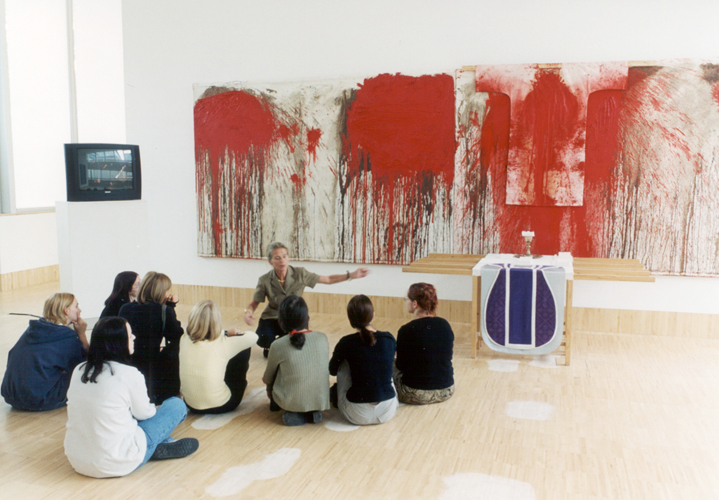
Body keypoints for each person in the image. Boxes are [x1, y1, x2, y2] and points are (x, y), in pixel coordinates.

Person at [64, 317, 198, 478]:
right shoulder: (129, 374)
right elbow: (145, 414)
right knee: (176, 405)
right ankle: (157, 444)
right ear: (118, 343)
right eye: (129, 335)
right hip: (118, 462)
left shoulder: (79, 370)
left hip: (78, 460)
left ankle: (157, 444)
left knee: (121, 414)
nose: (134, 337)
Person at [244, 241, 369, 356]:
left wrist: (351, 275)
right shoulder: (264, 279)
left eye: (285, 256)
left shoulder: (300, 273)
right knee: (262, 338)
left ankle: (281, 344)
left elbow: (328, 279)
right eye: (277, 258)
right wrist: (249, 312)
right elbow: (254, 303)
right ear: (270, 261)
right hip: (272, 316)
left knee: (297, 343)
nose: (282, 260)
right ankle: (272, 346)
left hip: (294, 317)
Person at [1, 293, 88, 411]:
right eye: (76, 306)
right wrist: (82, 334)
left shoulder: (33, 330)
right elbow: (86, 364)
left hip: (11, 396)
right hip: (40, 400)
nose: (79, 310)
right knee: (80, 372)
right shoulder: (67, 336)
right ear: (66, 311)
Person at [329, 295, 398, 425]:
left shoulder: (346, 342)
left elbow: (332, 370)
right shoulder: (389, 338)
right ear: (373, 315)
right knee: (386, 362)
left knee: (344, 364)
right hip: (387, 411)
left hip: (356, 413)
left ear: (350, 319)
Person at [180, 300, 258, 414]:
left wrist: (224, 333)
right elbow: (253, 337)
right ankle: (240, 383)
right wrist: (228, 333)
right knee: (243, 345)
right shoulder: (223, 343)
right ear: (216, 322)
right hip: (224, 405)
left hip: (191, 405)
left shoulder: (184, 339)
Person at [262, 296, 330, 426]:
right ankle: (312, 411)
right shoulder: (322, 338)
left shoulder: (278, 345)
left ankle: (294, 412)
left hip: (291, 401)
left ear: (281, 320)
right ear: (306, 318)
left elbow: (268, 377)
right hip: (319, 400)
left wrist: (269, 388)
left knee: (278, 369)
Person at [119, 271, 183, 404]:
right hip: (153, 373)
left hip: (129, 366)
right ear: (160, 292)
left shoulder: (125, 308)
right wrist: (170, 307)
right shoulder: (164, 311)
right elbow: (177, 336)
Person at [394, 283, 454, 405]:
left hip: (415, 393)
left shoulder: (406, 330)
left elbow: (401, 365)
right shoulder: (445, 325)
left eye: (407, 299)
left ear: (415, 303)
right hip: (446, 390)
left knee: (388, 362)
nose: (406, 302)